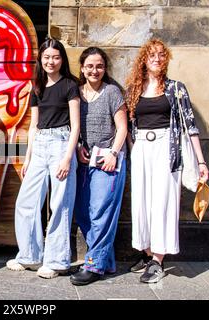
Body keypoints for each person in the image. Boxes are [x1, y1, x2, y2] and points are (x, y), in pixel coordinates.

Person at [125, 38, 209, 283]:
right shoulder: (133, 90)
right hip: (141, 148)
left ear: (166, 59)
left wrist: (201, 162)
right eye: (152, 54)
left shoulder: (176, 88)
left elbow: (190, 127)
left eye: (162, 55)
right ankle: (148, 252)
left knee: (163, 201)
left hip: (167, 148)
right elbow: (130, 125)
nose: (157, 58)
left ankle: (158, 260)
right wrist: (133, 149)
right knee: (142, 202)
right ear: (144, 58)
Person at [6, 38, 80, 279]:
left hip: (62, 143)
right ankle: (30, 256)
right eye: (47, 57)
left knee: (60, 204)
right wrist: (27, 158)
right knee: (26, 202)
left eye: (56, 57)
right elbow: (34, 125)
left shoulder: (70, 85)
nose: (51, 61)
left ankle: (57, 261)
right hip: (39, 146)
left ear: (62, 60)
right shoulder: (36, 86)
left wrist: (68, 158)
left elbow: (76, 125)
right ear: (41, 59)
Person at [69, 47, 128, 286]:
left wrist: (114, 153)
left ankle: (93, 265)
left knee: (100, 213)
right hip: (84, 160)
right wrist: (78, 147)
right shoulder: (76, 93)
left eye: (99, 66)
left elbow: (122, 128)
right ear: (82, 68)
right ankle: (107, 261)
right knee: (83, 212)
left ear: (105, 68)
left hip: (108, 161)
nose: (95, 70)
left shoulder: (112, 92)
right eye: (90, 66)